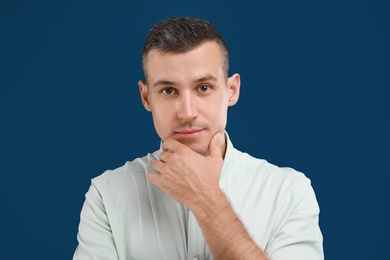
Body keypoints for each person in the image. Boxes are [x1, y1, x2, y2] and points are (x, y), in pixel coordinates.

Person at [73, 17, 323, 260]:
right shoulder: (106, 195)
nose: (187, 112)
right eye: (168, 90)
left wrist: (206, 200)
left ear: (231, 90)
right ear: (146, 97)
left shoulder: (290, 193)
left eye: (203, 87)